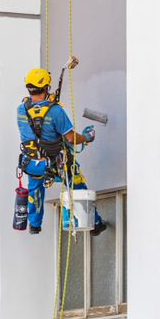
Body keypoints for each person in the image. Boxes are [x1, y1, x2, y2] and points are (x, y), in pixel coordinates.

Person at [16, 67, 104, 236]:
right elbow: (71, 138)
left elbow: (35, 117)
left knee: (35, 189)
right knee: (77, 185)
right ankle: (95, 224)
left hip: (32, 162)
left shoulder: (21, 110)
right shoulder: (55, 111)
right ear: (46, 87)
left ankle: (34, 225)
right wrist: (86, 137)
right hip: (57, 161)